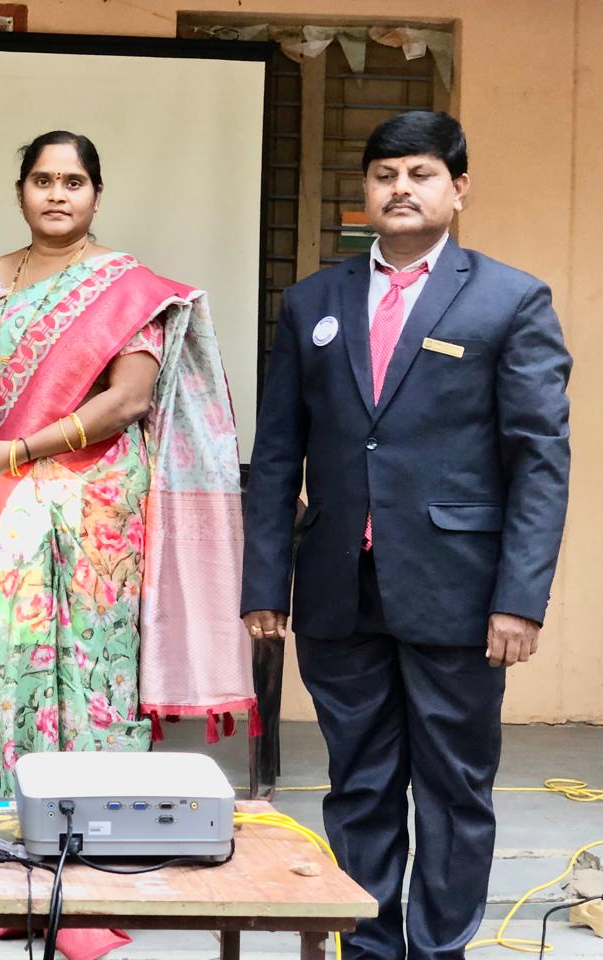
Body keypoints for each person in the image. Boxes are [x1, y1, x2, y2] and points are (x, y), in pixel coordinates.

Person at [242, 111, 571, 960]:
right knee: (358, 786)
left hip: (458, 592)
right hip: (336, 589)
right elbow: (276, 455)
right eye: (385, 174)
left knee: (455, 792)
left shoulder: (510, 299)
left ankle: (438, 951)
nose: (401, 189)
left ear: (459, 189)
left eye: (421, 173)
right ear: (365, 191)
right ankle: (367, 946)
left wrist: (520, 598)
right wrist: (264, 584)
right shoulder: (312, 302)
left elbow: (539, 460)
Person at [0, 130, 254, 960]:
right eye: (43, 180)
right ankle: (12, 866)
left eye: (73, 181)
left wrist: (23, 449)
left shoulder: (128, 287)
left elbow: (126, 402)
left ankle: (94, 874)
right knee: (8, 673)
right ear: (20, 190)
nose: (57, 194)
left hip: (99, 511)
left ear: (96, 194)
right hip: (7, 504)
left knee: (95, 676)